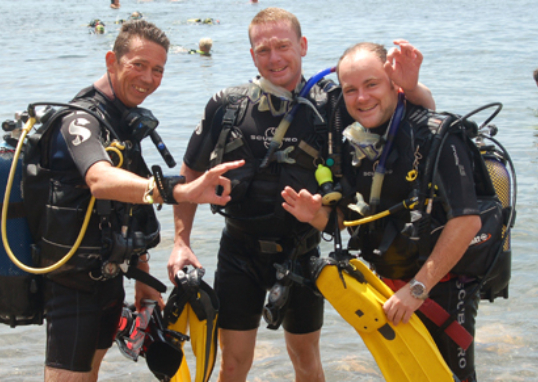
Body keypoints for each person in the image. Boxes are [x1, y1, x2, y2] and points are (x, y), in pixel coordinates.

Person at [168, 8, 434, 382]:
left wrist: (414, 85)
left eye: (282, 46)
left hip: (303, 252)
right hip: (239, 253)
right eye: (263, 50)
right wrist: (181, 241)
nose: (274, 58)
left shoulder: (334, 103)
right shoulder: (227, 105)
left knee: (306, 360)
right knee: (232, 363)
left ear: (303, 46)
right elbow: (189, 174)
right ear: (251, 55)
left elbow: (417, 121)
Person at [32, 20, 243, 382]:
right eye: (138, 65)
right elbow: (99, 179)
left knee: (92, 372)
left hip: (110, 279)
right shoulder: (80, 120)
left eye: (158, 69)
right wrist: (180, 190)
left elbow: (126, 207)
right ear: (112, 59)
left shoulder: (123, 122)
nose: (148, 78)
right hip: (73, 285)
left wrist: (143, 275)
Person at [281, 42, 483, 382]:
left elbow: (467, 221)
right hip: (388, 286)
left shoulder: (438, 137)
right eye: (351, 90)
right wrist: (313, 216)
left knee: (452, 377)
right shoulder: (354, 145)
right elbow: (353, 220)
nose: (361, 98)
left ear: (394, 83)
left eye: (371, 84)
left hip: (443, 286)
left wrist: (418, 289)